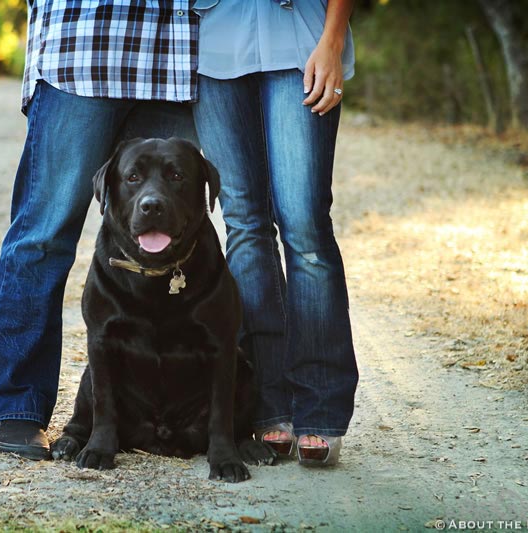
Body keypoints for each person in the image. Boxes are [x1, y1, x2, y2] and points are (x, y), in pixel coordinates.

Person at [0, 1, 199, 459]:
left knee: (175, 239)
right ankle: (16, 402)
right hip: (87, 44)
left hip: (180, 54)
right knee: (45, 232)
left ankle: (183, 412)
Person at [191, 0, 359, 466]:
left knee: (304, 225)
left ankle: (320, 407)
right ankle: (268, 403)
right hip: (212, 46)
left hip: (301, 41)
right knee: (244, 225)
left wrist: (333, 39)